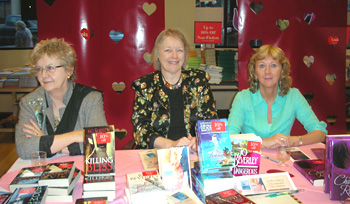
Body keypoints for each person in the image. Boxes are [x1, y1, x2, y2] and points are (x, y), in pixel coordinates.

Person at [15, 38, 108, 159]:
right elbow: (24, 149)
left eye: (50, 68)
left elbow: (102, 144)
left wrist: (46, 142)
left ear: (69, 70)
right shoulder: (29, 102)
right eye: (39, 69)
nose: (43, 75)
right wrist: (74, 136)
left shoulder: (90, 99)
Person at [131, 28, 218, 151]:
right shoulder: (145, 86)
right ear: (158, 54)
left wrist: (198, 140)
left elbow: (212, 122)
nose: (174, 56)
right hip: (158, 154)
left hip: (194, 152)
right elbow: (141, 131)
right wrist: (172, 145)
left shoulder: (199, 81)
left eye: (179, 50)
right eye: (168, 50)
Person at [228, 45, 327, 149]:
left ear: (282, 71)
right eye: (262, 66)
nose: (267, 71)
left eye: (273, 65)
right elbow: (229, 139)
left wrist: (295, 140)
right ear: (254, 73)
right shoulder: (242, 98)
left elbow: (320, 133)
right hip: (251, 161)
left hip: (283, 161)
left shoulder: (294, 96)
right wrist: (264, 143)